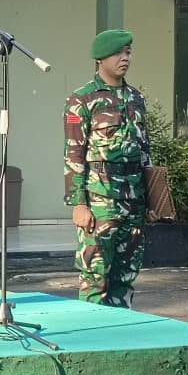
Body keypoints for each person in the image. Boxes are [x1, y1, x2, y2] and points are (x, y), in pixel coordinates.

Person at [64, 29, 151, 307]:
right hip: (100, 200)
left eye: (128, 52)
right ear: (100, 58)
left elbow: (144, 150)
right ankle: (92, 331)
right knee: (95, 276)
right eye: (118, 53)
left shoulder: (136, 99)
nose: (125, 58)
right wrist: (79, 203)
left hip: (134, 200)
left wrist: (152, 198)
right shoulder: (82, 99)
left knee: (126, 275)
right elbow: (73, 153)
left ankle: (121, 326)